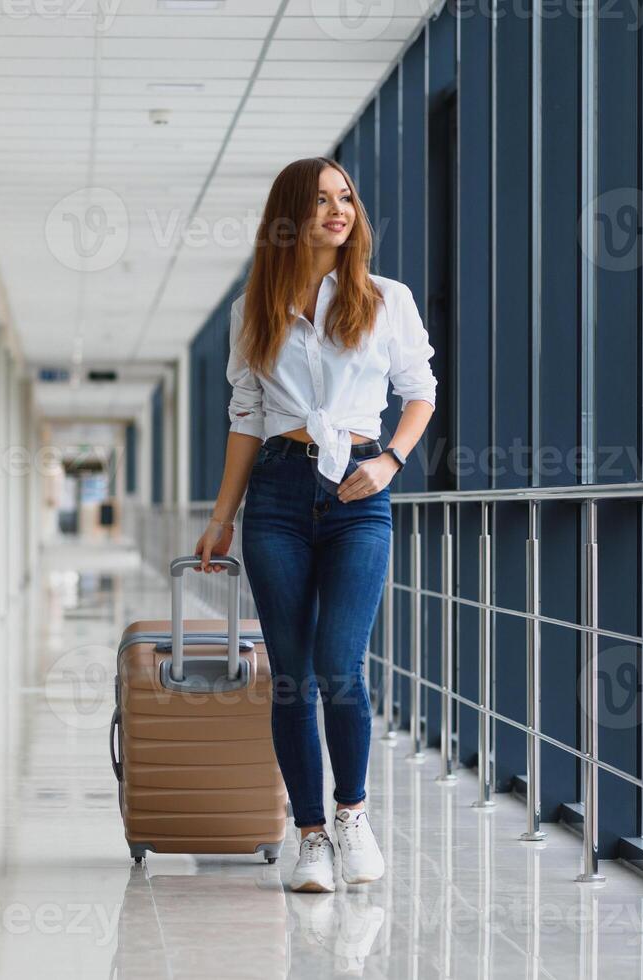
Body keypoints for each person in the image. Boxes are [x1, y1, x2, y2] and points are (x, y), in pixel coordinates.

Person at [193, 157, 437, 893]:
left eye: (347, 197)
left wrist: (392, 460)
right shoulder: (253, 308)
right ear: (289, 216)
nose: (339, 210)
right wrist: (221, 518)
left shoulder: (385, 298)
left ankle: (352, 813)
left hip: (361, 490)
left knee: (339, 662)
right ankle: (310, 837)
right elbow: (245, 417)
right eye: (323, 199)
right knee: (292, 675)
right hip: (277, 494)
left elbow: (419, 393)